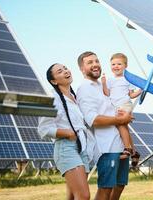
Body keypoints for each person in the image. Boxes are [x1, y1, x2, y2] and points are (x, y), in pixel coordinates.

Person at [76, 51, 132, 200]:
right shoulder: (84, 89)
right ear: (82, 69)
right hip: (107, 147)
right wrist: (121, 120)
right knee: (106, 188)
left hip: (120, 144)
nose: (95, 64)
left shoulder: (104, 86)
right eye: (89, 63)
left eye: (96, 61)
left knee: (119, 186)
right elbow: (93, 119)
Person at [38, 63, 96, 200]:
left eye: (65, 68)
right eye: (60, 71)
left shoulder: (74, 97)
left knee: (72, 196)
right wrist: (68, 133)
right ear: (54, 81)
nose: (65, 71)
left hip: (82, 149)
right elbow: (43, 129)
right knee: (83, 196)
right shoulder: (52, 99)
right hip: (66, 148)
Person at [101, 53, 141, 162]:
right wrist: (104, 83)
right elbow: (107, 93)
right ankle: (134, 152)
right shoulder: (110, 80)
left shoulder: (127, 79)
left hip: (125, 104)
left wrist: (140, 90)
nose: (116, 66)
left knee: (120, 123)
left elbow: (131, 95)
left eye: (119, 64)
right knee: (124, 127)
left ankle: (127, 148)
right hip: (115, 106)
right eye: (113, 64)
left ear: (125, 66)